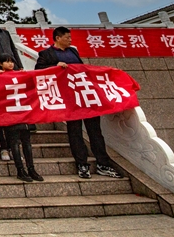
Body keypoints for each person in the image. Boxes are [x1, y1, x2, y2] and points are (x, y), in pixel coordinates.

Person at [35, 26, 124, 180]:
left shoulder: (73, 52)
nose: (70, 40)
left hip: (85, 96)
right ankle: (82, 164)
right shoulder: (46, 54)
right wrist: (54, 67)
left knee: (95, 131)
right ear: (58, 38)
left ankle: (103, 163)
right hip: (69, 99)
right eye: (67, 37)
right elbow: (39, 71)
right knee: (75, 132)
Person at [0, 53, 43, 183]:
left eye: (11, 61)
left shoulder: (20, 75)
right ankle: (20, 169)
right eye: (6, 62)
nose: (10, 64)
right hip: (9, 113)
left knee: (27, 143)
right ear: (0, 64)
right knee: (15, 143)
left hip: (23, 112)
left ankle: (31, 168)